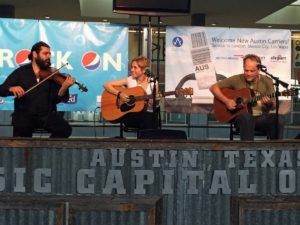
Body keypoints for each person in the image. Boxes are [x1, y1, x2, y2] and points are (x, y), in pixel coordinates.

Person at [0, 41, 76, 138]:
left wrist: (64, 88)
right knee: (22, 131)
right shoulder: (21, 72)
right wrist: (11, 88)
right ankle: (25, 152)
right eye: (45, 53)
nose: (48, 56)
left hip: (46, 114)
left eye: (49, 54)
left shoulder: (53, 74)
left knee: (64, 129)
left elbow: (56, 99)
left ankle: (47, 150)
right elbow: (1, 89)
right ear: (35, 54)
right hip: (24, 113)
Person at [209, 54, 285, 140]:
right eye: (246, 70)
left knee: (278, 119)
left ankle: (276, 149)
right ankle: (247, 150)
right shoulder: (237, 79)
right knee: (246, 117)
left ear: (259, 69)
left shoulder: (267, 81)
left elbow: (273, 106)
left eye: (252, 71)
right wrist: (227, 101)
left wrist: (269, 103)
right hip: (242, 119)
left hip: (260, 119)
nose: (248, 73)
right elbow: (213, 88)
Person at [103, 56, 160, 130]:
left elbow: (156, 102)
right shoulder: (129, 80)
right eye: (131, 67)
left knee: (151, 118)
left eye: (135, 67)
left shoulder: (153, 82)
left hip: (148, 115)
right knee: (148, 120)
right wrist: (119, 94)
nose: (132, 70)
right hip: (131, 116)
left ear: (144, 70)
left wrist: (155, 101)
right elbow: (106, 85)